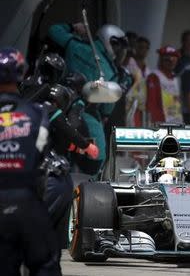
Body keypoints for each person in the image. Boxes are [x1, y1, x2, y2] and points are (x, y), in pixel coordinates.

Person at [0, 48, 61, 276]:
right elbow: (43, 154)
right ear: (20, 73)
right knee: (45, 263)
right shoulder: (38, 113)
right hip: (26, 202)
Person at [48, 23, 129, 176]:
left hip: (56, 105)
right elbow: (106, 108)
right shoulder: (109, 71)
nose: (119, 52)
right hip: (88, 113)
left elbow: (54, 31)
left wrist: (71, 27)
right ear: (109, 41)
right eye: (117, 46)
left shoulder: (76, 45)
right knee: (96, 162)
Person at [146, 46, 183, 124]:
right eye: (167, 59)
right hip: (161, 122)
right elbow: (151, 103)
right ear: (161, 60)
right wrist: (156, 121)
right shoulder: (154, 76)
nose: (171, 62)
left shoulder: (176, 78)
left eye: (174, 59)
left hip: (176, 122)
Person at [126, 36, 150, 127]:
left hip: (142, 106)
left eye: (146, 48)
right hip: (129, 103)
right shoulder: (129, 63)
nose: (143, 50)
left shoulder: (147, 68)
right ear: (135, 48)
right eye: (141, 47)